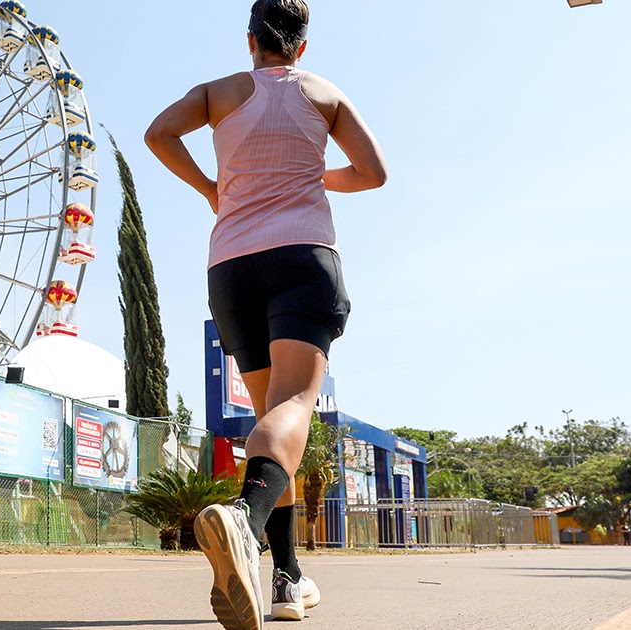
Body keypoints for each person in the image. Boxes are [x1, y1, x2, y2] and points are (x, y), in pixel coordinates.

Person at [146, 1, 386, 627]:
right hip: (302, 258)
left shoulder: (220, 92)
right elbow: (374, 172)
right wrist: (314, 175)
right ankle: (246, 527)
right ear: (301, 47)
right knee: (293, 409)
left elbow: (157, 134)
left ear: (250, 40)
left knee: (267, 418)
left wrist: (209, 188)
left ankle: (287, 580)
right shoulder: (322, 91)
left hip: (232, 266)